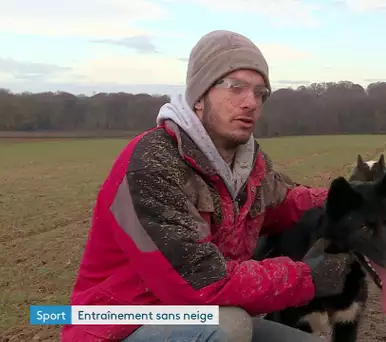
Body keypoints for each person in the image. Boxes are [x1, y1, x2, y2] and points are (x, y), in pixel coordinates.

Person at [60, 30, 353, 342]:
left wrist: (352, 198)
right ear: (199, 98)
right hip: (120, 323)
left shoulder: (248, 162)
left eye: (260, 93)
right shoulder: (153, 163)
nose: (251, 102)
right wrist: (309, 277)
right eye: (236, 87)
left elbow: (284, 203)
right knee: (230, 327)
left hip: (198, 315)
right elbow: (200, 282)